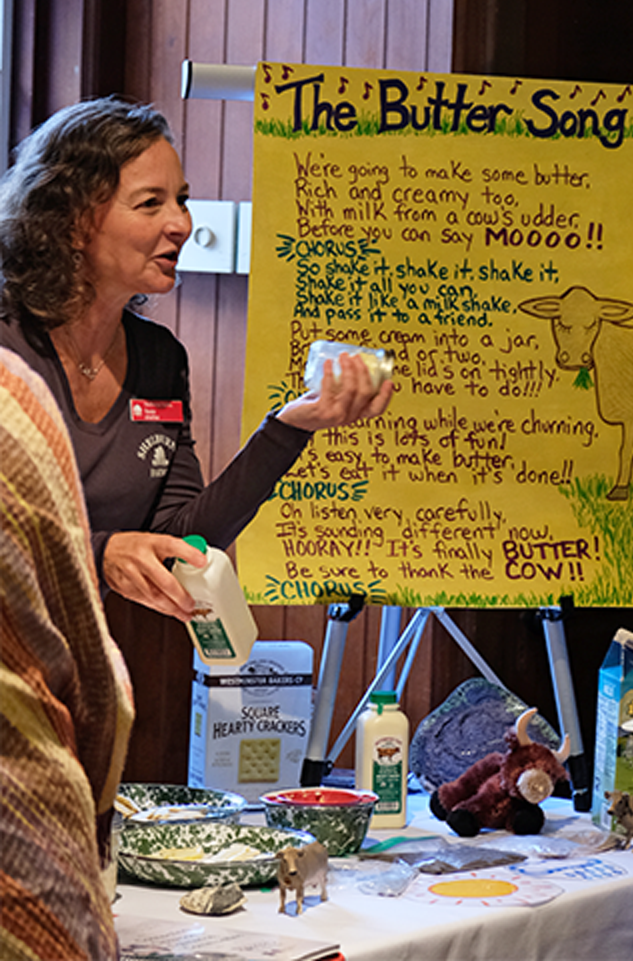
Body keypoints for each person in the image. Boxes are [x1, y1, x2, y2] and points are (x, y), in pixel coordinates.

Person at [0, 97, 393, 620]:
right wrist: (98, 554)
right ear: (72, 224)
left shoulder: (160, 360)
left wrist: (291, 427)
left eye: (181, 200)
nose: (181, 223)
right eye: (150, 204)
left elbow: (183, 541)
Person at [0, 349, 134, 960]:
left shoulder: (160, 356)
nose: (183, 243)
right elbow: (96, 674)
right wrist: (97, 829)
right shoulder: (12, 399)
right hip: (21, 836)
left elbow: (190, 525)